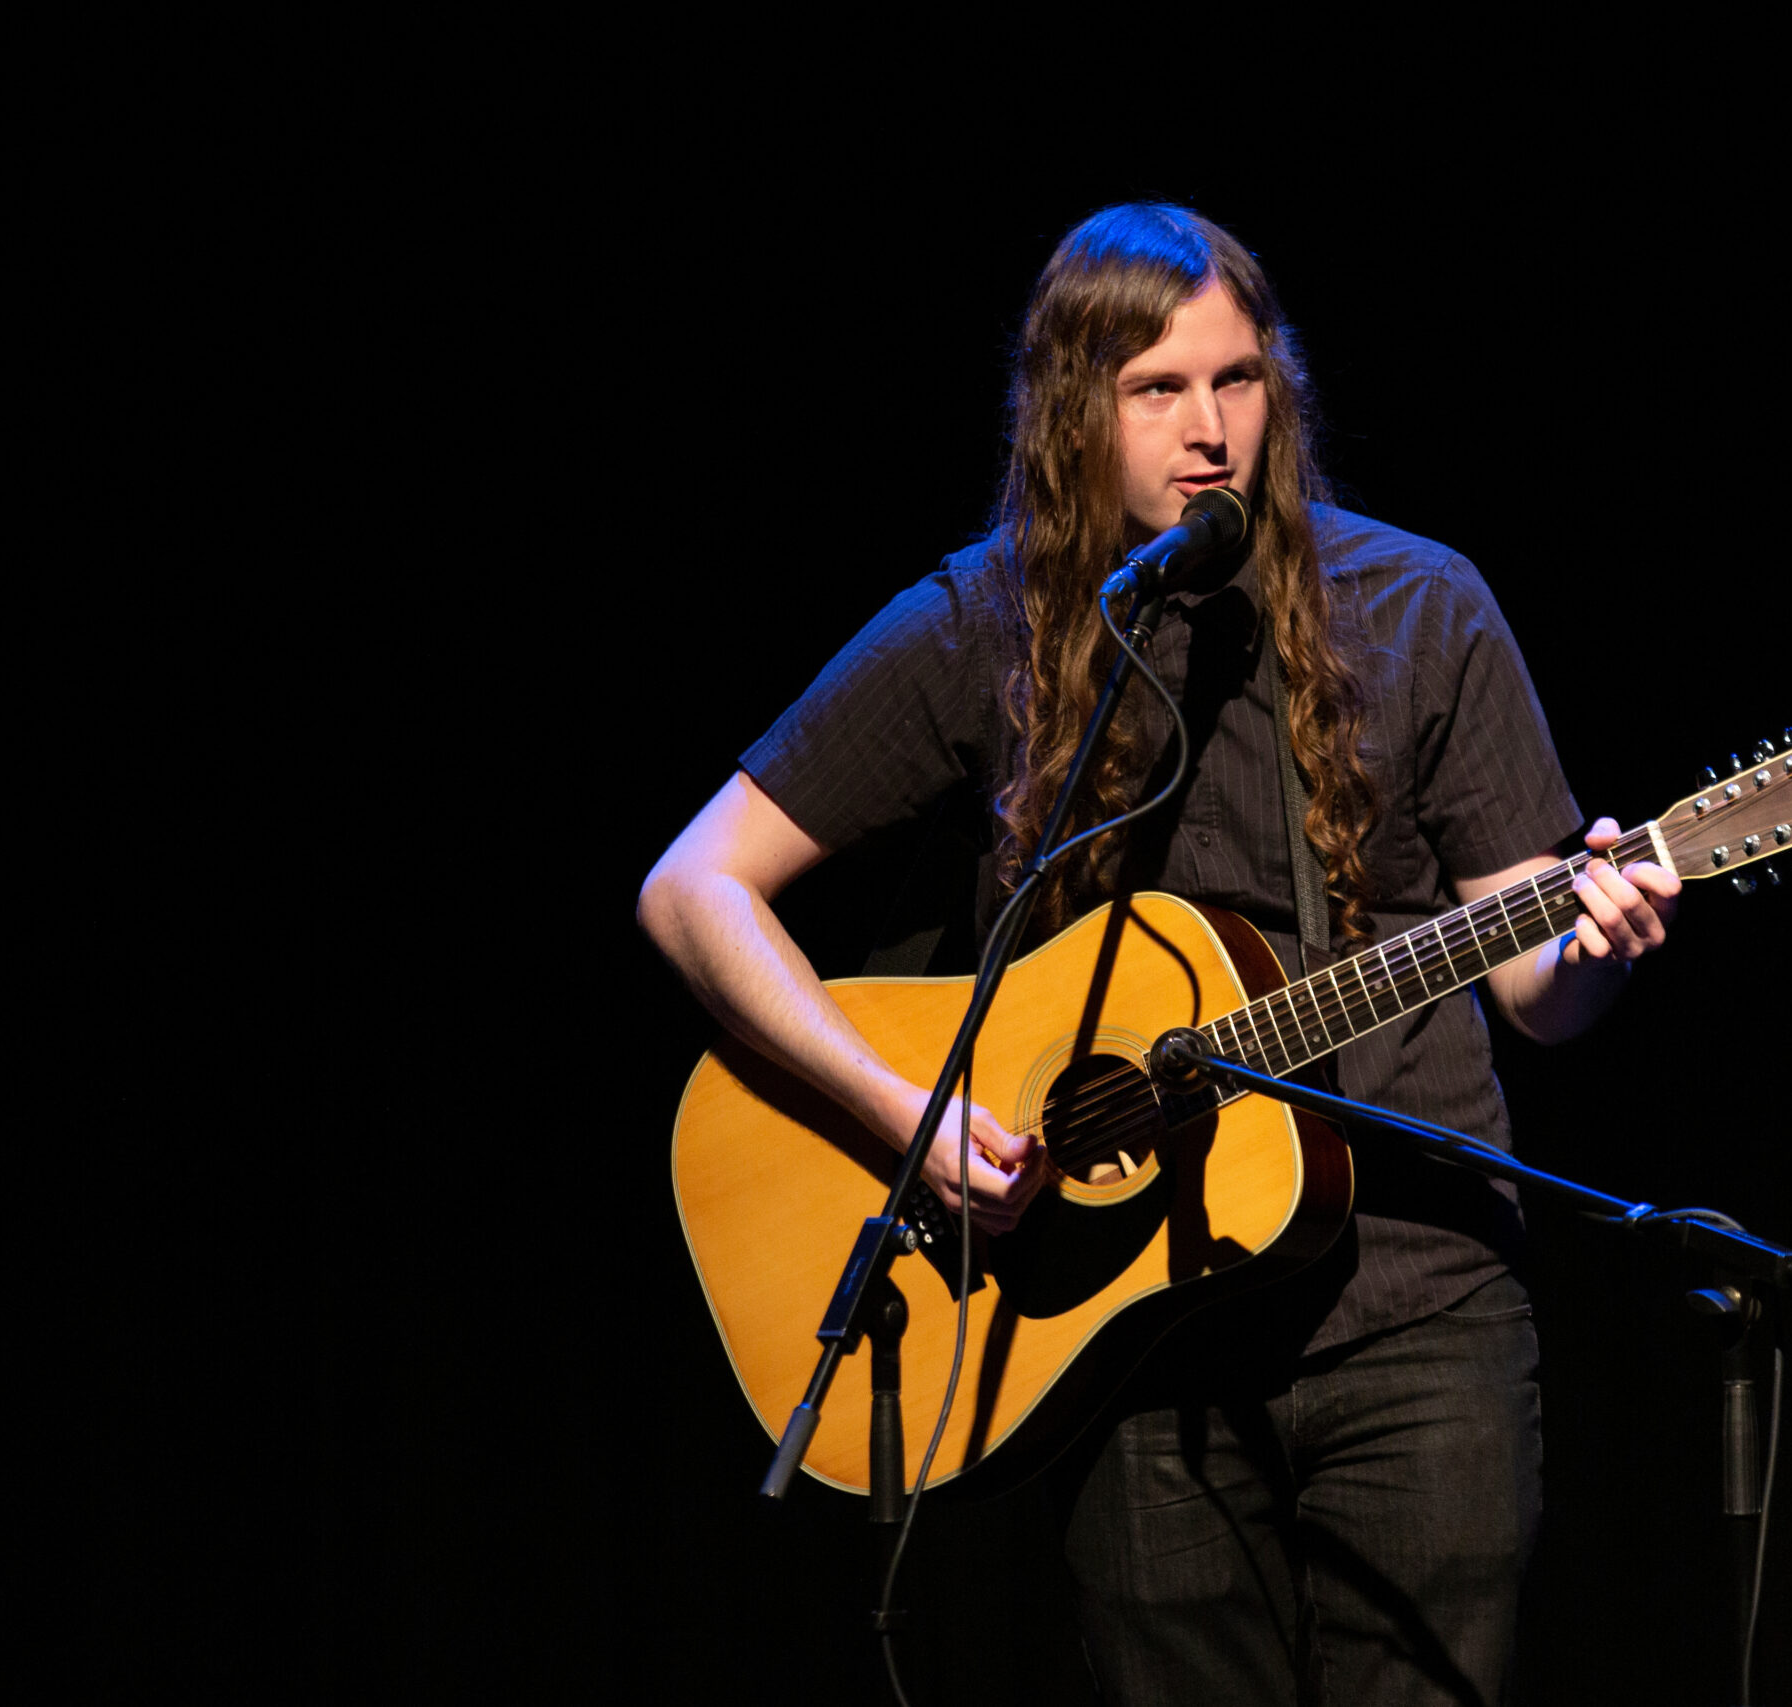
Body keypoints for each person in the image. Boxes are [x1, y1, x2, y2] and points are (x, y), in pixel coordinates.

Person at [637, 202, 1679, 1705]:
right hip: (1126, 1337)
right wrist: (899, 1114)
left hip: (1417, 1318)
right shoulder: (986, 623)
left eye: (1239, 381)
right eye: (1158, 390)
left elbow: (1539, 990)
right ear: (1076, 411)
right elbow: (694, 888)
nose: (1211, 431)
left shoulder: (1422, 608)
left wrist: (1601, 939)